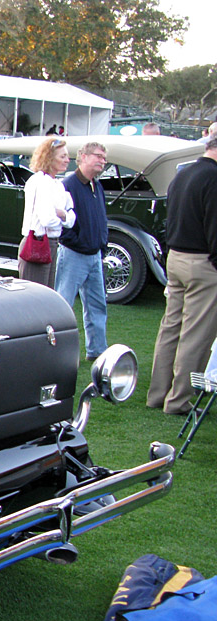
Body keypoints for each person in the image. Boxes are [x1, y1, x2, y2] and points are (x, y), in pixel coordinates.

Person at [146, 134, 217, 414]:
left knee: (171, 327)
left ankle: (158, 393)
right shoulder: (213, 178)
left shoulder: (183, 174)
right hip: (203, 262)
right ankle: (178, 400)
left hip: (176, 257)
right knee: (196, 334)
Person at [56, 141, 110, 361]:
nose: (102, 161)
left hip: (95, 255)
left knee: (98, 306)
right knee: (62, 305)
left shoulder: (97, 186)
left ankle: (97, 351)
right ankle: (55, 351)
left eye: (104, 158)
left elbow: (101, 218)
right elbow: (62, 222)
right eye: (98, 156)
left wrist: (101, 244)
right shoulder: (68, 185)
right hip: (73, 255)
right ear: (83, 157)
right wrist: (77, 241)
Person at [18, 137, 75, 287]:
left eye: (67, 156)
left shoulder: (58, 184)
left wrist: (62, 215)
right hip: (37, 242)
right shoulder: (40, 181)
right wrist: (63, 217)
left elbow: (71, 217)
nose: (67, 160)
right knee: (34, 296)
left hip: (52, 243)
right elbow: (47, 219)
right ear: (49, 158)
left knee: (47, 293)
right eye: (62, 156)